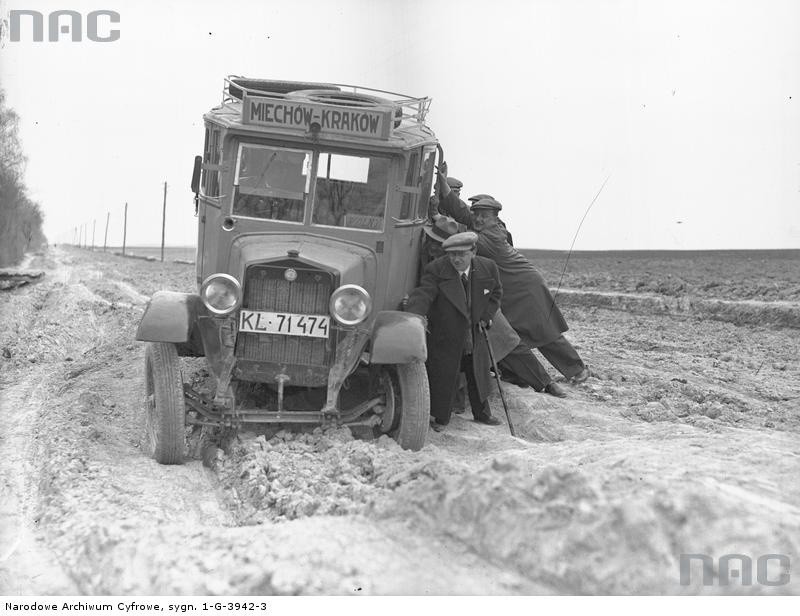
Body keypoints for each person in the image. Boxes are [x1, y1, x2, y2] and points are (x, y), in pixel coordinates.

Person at [436, 165, 590, 394]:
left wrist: (438, 218)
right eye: (476, 214)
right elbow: (463, 214)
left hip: (525, 287)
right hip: (510, 287)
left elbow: (462, 231)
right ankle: (517, 373)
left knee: (543, 331)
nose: (478, 219)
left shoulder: (492, 236)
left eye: (483, 216)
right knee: (514, 332)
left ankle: (578, 369)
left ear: (494, 219)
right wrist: (443, 186)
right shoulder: (487, 225)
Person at [406, 231, 504, 431]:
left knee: (477, 372)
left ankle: (482, 414)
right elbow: (424, 294)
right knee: (444, 375)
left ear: (473, 252)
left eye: (462, 254)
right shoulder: (436, 269)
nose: (456, 259)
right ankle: (440, 418)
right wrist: (414, 317)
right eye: (452, 255)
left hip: (475, 332)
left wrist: (486, 316)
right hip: (446, 332)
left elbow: (496, 293)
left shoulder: (488, 267)